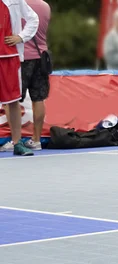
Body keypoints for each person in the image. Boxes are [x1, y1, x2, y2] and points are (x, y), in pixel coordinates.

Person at [0, 0, 38, 156]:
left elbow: (33, 18)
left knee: (13, 101)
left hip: (9, 55)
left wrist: (21, 37)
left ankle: (17, 143)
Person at [17, 0, 50, 151]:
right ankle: (36, 139)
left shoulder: (16, 5)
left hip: (21, 58)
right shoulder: (44, 6)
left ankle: (15, 139)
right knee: (39, 98)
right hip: (41, 57)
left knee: (14, 101)